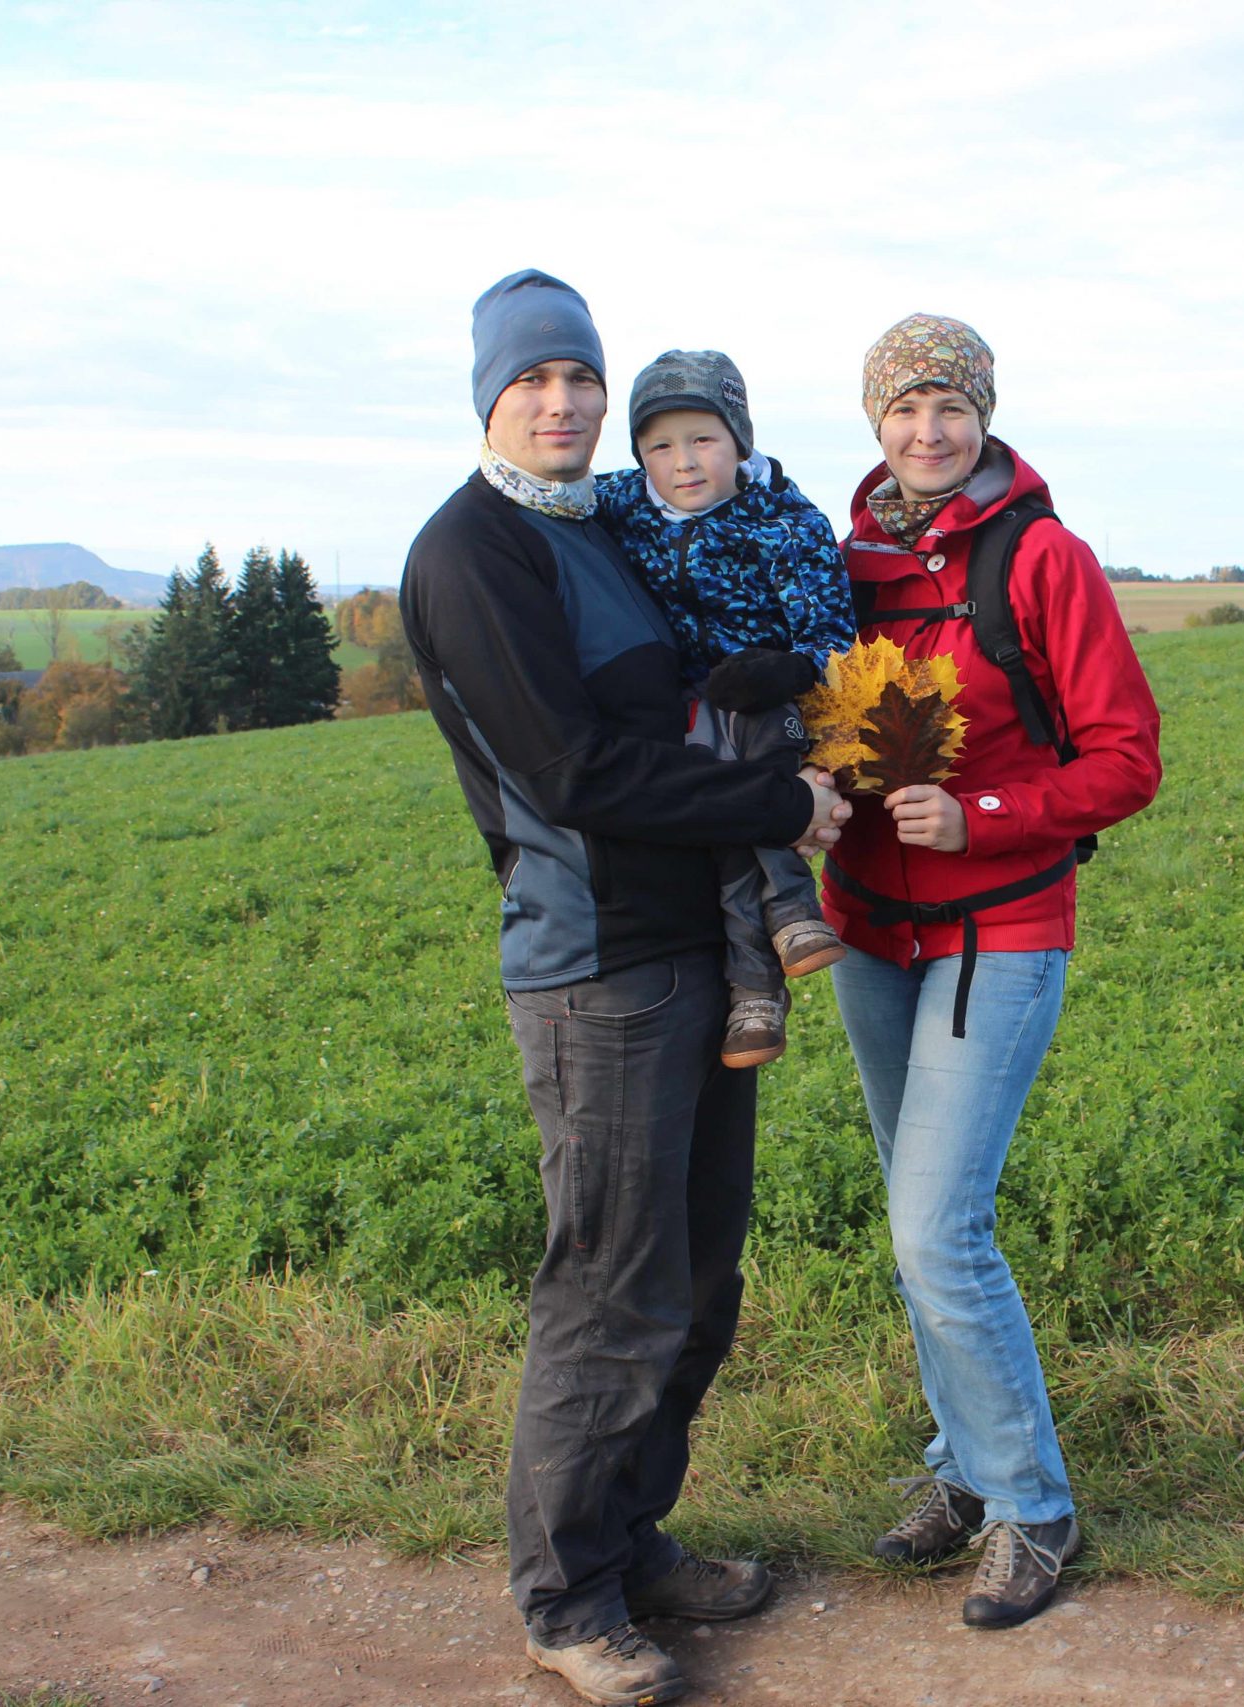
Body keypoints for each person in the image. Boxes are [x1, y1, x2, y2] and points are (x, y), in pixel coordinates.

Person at [399, 268, 850, 1707]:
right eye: (535, 380)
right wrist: (778, 801)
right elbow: (570, 770)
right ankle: (566, 1593)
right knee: (610, 1282)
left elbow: (690, 687)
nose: (564, 402)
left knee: (696, 1276)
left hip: (688, 954)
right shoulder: (474, 552)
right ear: (489, 394)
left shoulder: (601, 530)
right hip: (598, 969)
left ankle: (631, 1534)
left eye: (581, 379)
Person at [822, 313, 1162, 1630]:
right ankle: (960, 1468)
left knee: (935, 1223)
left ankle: (1033, 1502)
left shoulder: (1042, 557)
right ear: (875, 426)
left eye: (950, 406)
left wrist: (990, 817)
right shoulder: (843, 563)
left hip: (999, 927)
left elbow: (1126, 758)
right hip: (869, 932)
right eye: (904, 409)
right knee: (916, 1223)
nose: (928, 431)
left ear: (985, 414)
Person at [593, 349, 856, 1070]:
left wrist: (789, 667)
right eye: (660, 445)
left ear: (739, 438)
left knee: (756, 795)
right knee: (720, 828)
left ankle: (784, 940)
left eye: (703, 438)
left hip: (774, 707)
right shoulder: (622, 506)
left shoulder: (787, 520)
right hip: (688, 711)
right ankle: (763, 975)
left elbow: (832, 633)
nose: (683, 462)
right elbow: (551, 504)